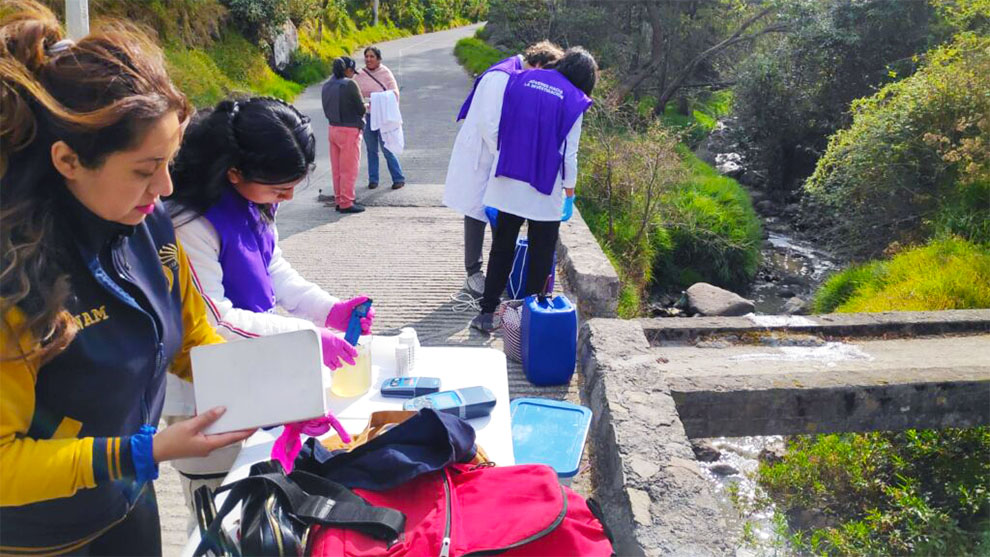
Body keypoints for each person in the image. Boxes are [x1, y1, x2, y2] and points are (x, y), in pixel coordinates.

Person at [0, 2, 253, 553]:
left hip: (127, 506)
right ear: (67, 161)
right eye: (144, 169)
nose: (164, 188)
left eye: (171, 162)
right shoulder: (14, 279)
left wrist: (274, 390)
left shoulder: (150, 223)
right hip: (34, 539)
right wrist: (145, 451)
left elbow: (191, 339)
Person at [165, 96, 375, 520]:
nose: (289, 195)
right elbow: (215, 321)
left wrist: (327, 310)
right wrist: (309, 339)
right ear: (234, 172)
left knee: (271, 505)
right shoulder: (188, 222)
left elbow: (272, 268)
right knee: (223, 516)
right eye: (279, 187)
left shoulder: (253, 200)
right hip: (201, 400)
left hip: (255, 376)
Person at [470, 47, 598, 333]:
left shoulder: (521, 78)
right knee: (541, 253)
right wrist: (569, 193)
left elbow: (495, 124)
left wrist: (500, 154)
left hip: (509, 178)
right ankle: (530, 319)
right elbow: (568, 154)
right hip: (545, 186)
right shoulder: (575, 99)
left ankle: (487, 313)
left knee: (502, 248)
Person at [444, 41, 564, 296]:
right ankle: (473, 273)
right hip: (484, 153)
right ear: (539, 65)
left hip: (496, 154)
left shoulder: (516, 73)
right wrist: (509, 156)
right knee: (476, 212)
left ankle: (501, 272)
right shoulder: (502, 76)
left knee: (499, 214)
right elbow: (490, 125)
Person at [354, 46, 406, 190]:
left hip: (383, 118)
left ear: (378, 59)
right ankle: (373, 180)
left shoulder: (385, 73)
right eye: (367, 56)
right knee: (371, 149)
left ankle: (398, 178)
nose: (368, 59)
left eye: (372, 57)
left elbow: (394, 94)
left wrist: (376, 99)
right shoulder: (359, 75)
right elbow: (354, 94)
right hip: (367, 116)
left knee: (387, 148)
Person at [322, 56, 367, 214]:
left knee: (337, 168)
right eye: (352, 71)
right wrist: (366, 105)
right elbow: (360, 109)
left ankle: (339, 199)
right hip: (349, 130)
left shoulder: (326, 85)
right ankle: (347, 202)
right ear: (347, 70)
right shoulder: (350, 84)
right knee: (349, 169)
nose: (353, 75)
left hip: (333, 128)